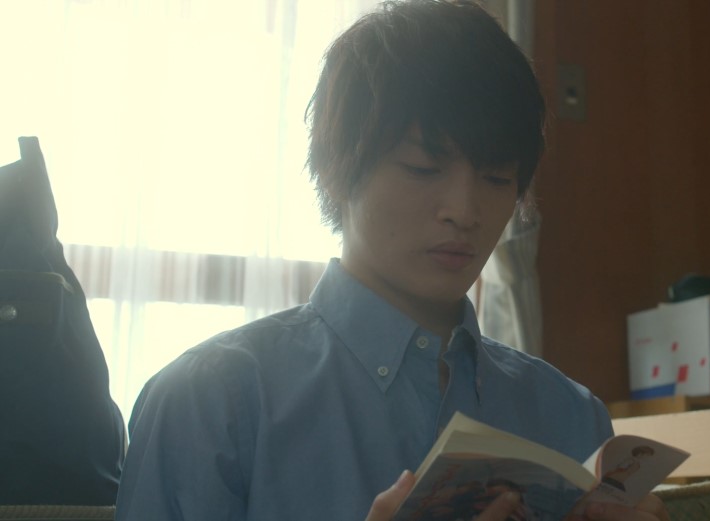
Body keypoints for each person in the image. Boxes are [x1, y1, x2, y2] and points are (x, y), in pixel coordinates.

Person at [115, 1, 669, 520]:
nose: (464, 211)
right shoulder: (213, 400)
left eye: (497, 177)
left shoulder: (570, 413)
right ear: (337, 171)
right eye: (423, 169)